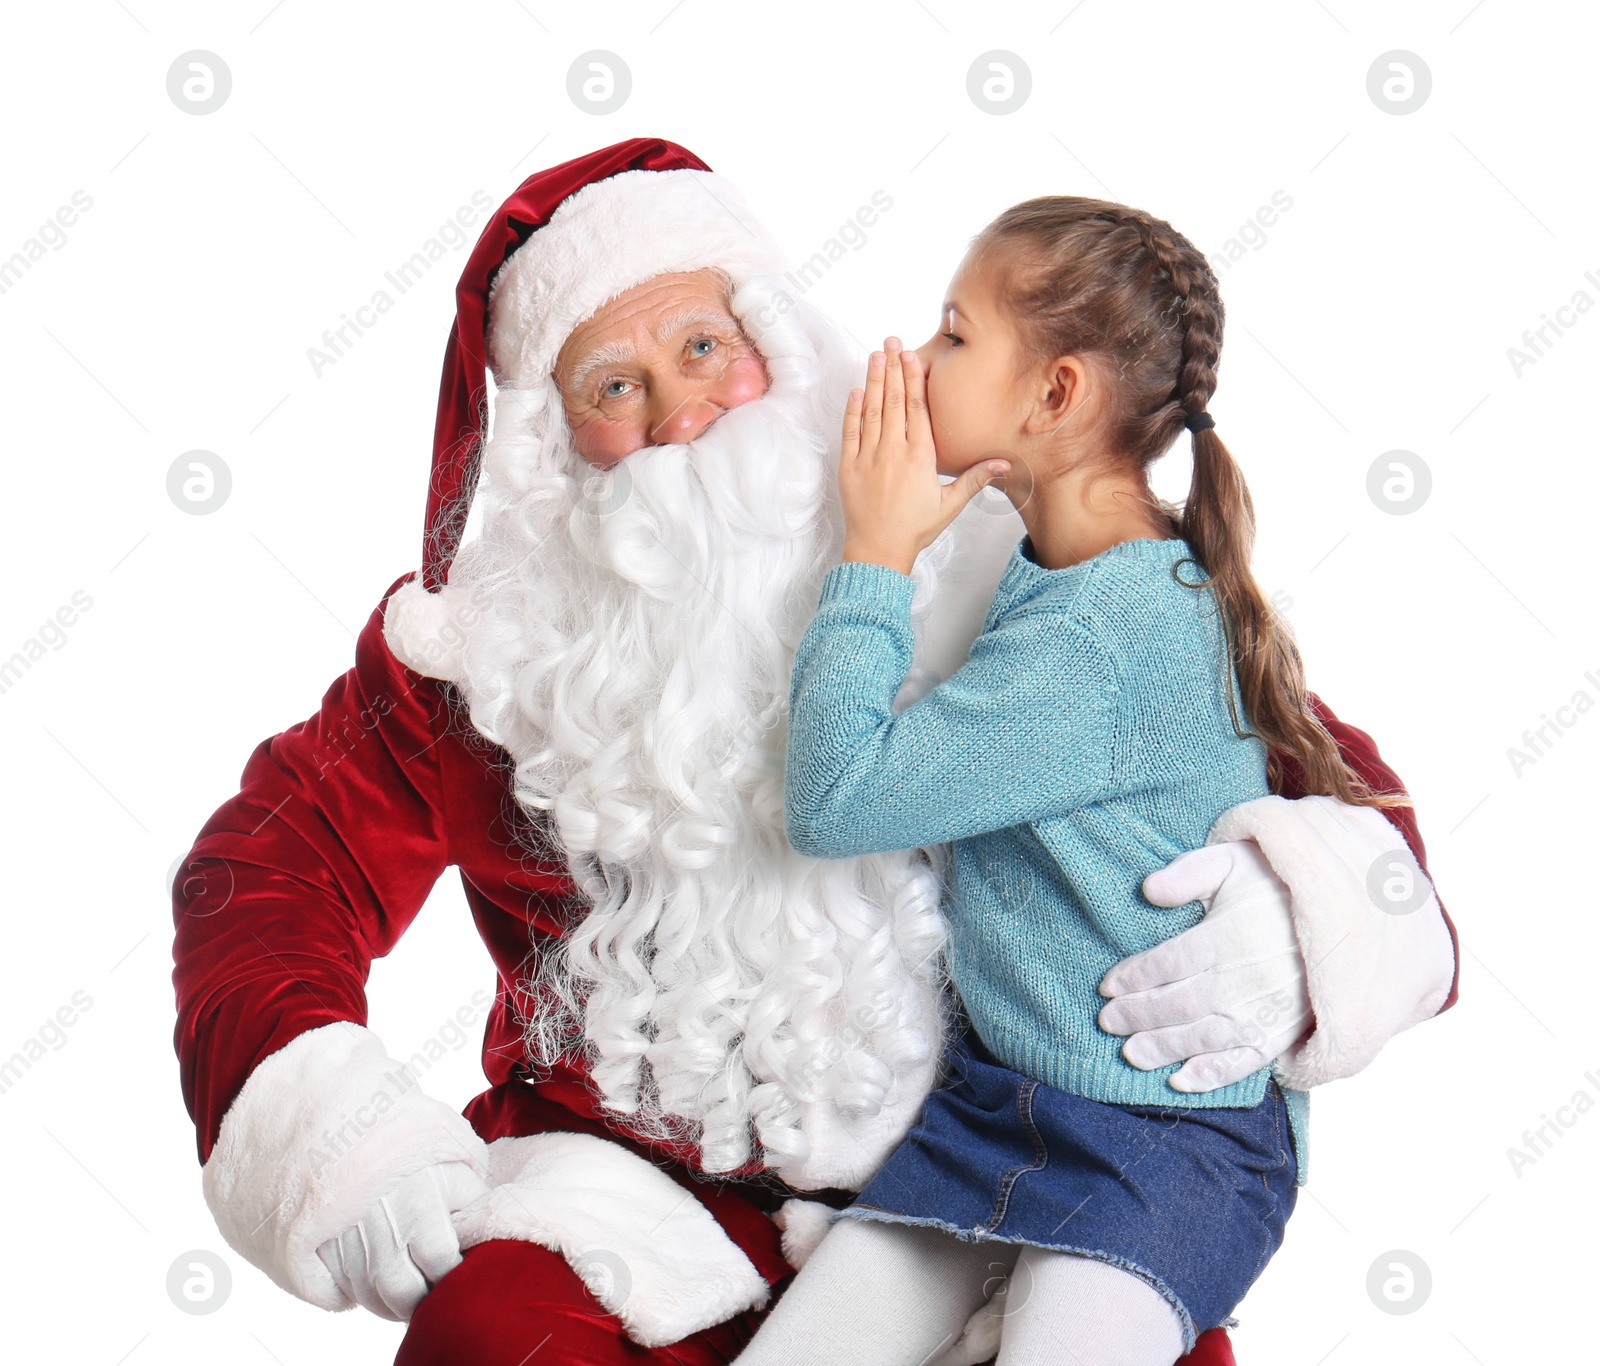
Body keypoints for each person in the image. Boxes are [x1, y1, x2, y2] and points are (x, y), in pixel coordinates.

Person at [172, 142, 1458, 1366]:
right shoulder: (486, 654)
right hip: (639, 1200)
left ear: (774, 346)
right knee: (493, 1336)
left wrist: (1308, 919)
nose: (678, 414)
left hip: (1042, 1161)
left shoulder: (1003, 559)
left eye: (701, 347)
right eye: (612, 384)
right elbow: (274, 866)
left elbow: (1309, 758)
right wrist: (324, 1117)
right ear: (549, 444)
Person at [737, 197, 1431, 1365]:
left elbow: (833, 801)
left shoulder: (1098, 639)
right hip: (1000, 1108)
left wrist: (873, 552)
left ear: (1054, 396)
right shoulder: (1075, 567)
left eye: (953, 335)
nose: (910, 359)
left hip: (1165, 1144)